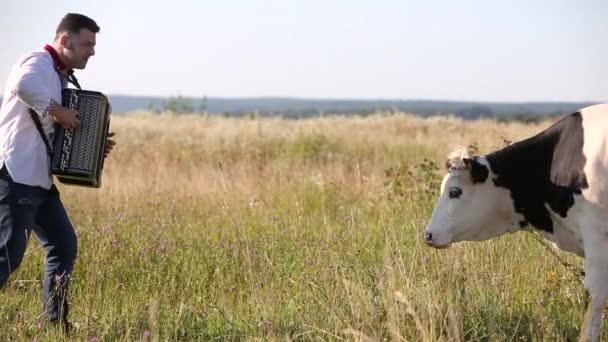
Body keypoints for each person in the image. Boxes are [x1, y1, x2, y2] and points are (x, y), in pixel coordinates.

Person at [0, 13, 115, 333]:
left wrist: (93, 146)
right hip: (16, 176)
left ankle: (56, 325)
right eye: (87, 44)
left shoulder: (57, 74)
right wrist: (58, 109)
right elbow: (21, 86)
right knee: (7, 256)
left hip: (39, 180)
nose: (91, 51)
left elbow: (53, 132)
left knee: (63, 246)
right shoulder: (36, 61)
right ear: (65, 41)